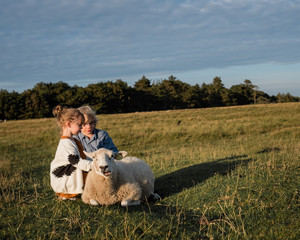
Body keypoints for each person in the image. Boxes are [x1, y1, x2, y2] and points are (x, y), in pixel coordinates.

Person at [50, 105, 92, 200]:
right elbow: (75, 161)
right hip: (63, 178)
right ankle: (66, 194)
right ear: (69, 124)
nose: (82, 128)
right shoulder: (66, 143)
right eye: (80, 124)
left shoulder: (72, 140)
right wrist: (93, 165)